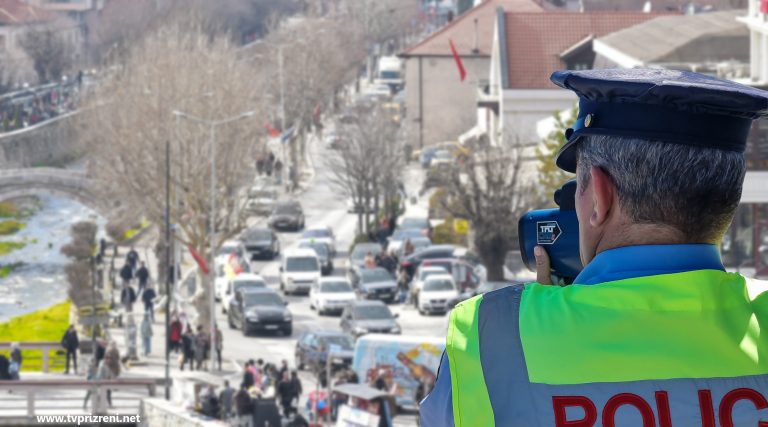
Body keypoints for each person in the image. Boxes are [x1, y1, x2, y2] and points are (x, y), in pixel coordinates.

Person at [420, 69, 768, 425]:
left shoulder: (490, 337)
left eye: (578, 188)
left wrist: (542, 319)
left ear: (600, 196)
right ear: (728, 201)